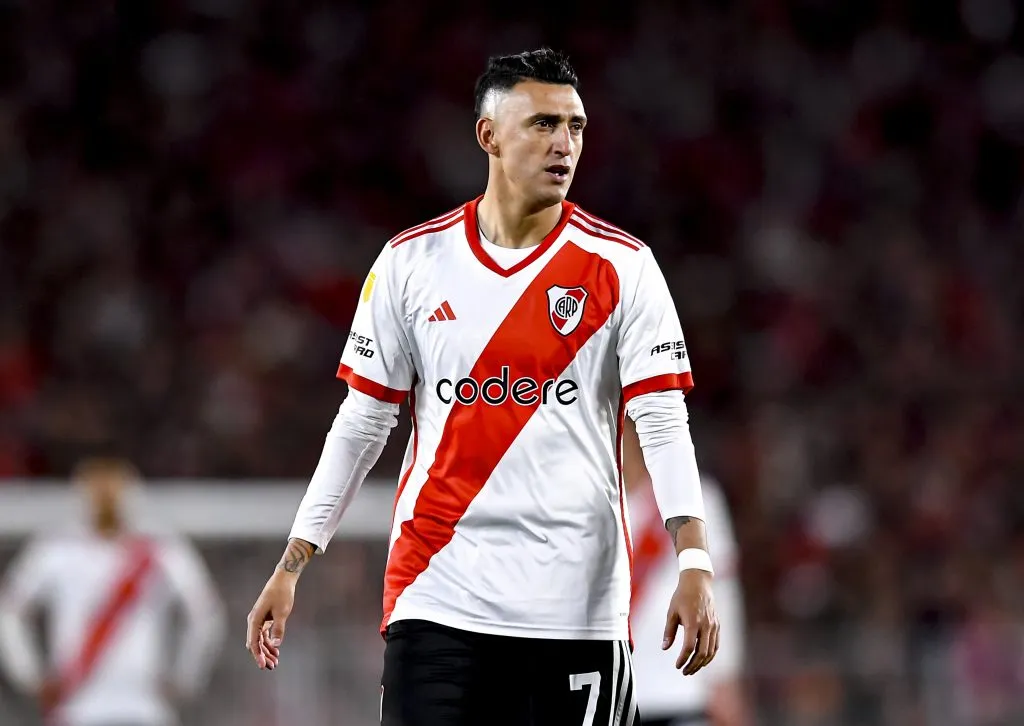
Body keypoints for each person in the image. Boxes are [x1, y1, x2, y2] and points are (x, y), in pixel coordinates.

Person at [246, 47, 719, 725]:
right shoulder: (411, 263)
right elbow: (361, 423)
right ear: (488, 135)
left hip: (574, 608)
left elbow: (664, 421)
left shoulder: (623, 267)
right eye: (543, 124)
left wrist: (694, 561)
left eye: (576, 127)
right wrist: (294, 559)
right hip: (438, 595)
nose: (565, 144)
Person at [0, 457, 226, 726]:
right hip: (113, 706)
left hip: (105, 706)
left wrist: (31, 676)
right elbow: (206, 615)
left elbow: (206, 616)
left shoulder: (60, 549)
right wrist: (185, 677)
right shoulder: (158, 548)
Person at [622, 419, 750, 726]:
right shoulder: (590, 505)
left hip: (683, 686)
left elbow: (722, 591)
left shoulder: (696, 497)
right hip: (612, 690)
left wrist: (726, 675)